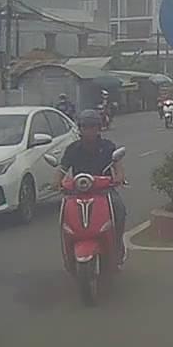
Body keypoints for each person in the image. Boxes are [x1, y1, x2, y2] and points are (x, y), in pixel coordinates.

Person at [57, 109, 127, 265]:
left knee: (119, 209)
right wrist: (57, 183)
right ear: (80, 129)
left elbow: (118, 166)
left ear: (99, 128)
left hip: (104, 192)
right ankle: (68, 251)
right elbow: (62, 170)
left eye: (93, 126)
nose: (89, 130)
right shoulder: (72, 149)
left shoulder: (108, 147)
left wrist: (119, 178)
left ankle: (117, 245)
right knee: (64, 217)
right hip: (77, 193)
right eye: (85, 127)